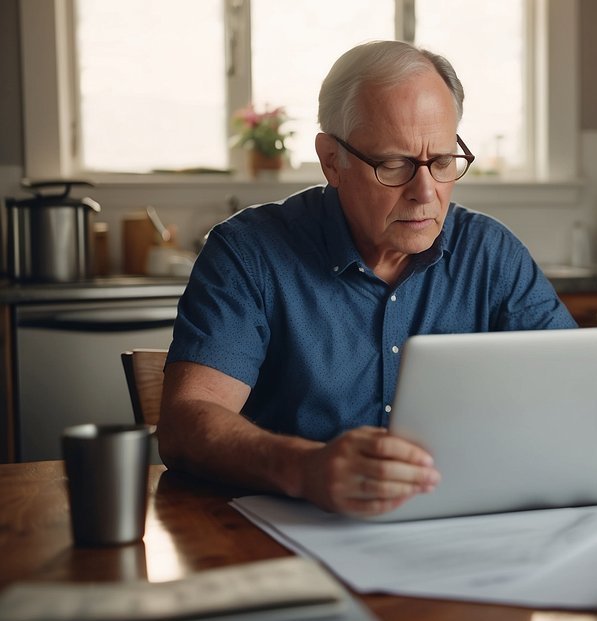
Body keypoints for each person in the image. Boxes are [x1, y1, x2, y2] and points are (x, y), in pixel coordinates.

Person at [158, 40, 575, 516]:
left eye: (441, 162)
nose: (425, 193)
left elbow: (577, 398)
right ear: (332, 160)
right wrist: (305, 468)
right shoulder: (248, 253)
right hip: (282, 538)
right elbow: (184, 426)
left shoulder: (491, 254)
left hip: (462, 526)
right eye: (393, 165)